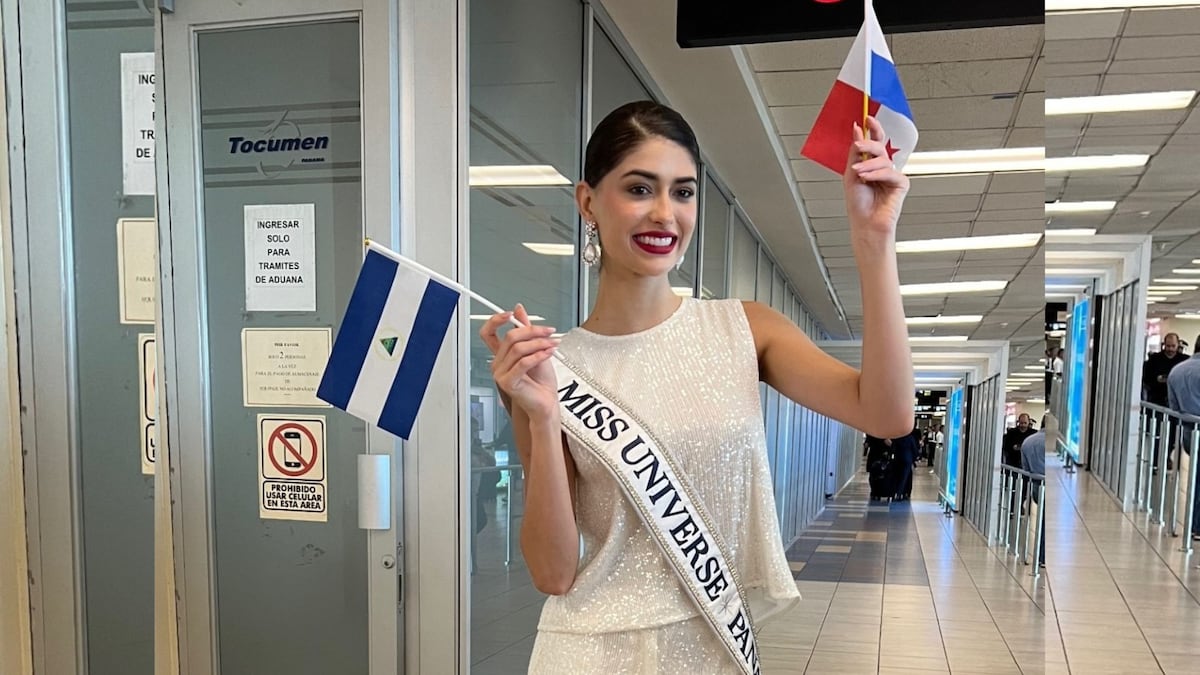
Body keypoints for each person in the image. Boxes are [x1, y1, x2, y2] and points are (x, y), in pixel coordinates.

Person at [480, 101, 913, 673]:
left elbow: (886, 414)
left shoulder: (744, 328)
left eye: (683, 193)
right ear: (588, 201)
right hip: (589, 651)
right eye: (639, 189)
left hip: (715, 646)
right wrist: (538, 414)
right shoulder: (551, 370)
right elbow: (553, 573)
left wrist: (875, 241)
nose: (665, 213)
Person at [1167, 349, 1200, 542]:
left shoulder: (1177, 370)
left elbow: (1174, 407)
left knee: (1196, 477)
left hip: (1188, 429)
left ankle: (1195, 524)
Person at [1144, 333, 1188, 471]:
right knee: (1157, 434)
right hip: (1157, 402)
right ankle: (1157, 461)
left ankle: (1167, 457)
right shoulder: (1154, 360)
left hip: (1176, 405)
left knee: (1173, 436)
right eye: (1168, 346)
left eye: (1173, 346)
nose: (1170, 349)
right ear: (1164, 345)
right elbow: (1147, 379)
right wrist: (1158, 381)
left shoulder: (1184, 361)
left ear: (1178, 345)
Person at [1020, 419, 1047, 567]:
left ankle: (1041, 555)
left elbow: (1025, 468)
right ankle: (1044, 556)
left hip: (1036, 484)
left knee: (1042, 520)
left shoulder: (1028, 441)